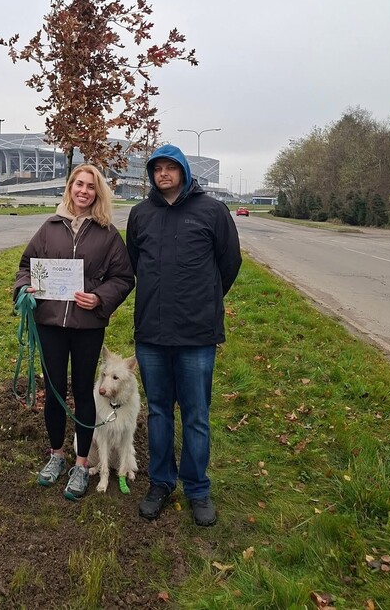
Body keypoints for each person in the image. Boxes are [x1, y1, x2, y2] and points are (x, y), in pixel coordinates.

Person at [126, 144, 241, 525]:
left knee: (196, 415)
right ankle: (161, 482)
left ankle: (197, 488)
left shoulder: (212, 211)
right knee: (159, 412)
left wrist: (206, 299)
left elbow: (229, 262)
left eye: (170, 168)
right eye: (157, 168)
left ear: (184, 171)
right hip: (152, 333)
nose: (163, 174)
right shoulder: (141, 215)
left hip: (197, 334)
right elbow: (134, 263)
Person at [14, 164, 134, 501]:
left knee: (84, 393)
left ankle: (82, 463)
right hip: (49, 323)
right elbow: (26, 266)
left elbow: (123, 278)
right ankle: (56, 455)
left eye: (90, 186)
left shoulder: (107, 234)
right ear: (70, 187)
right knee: (54, 391)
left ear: (98, 193)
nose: (83, 190)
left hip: (87, 326)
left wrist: (99, 298)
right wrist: (24, 289)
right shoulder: (50, 227)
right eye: (78, 184)